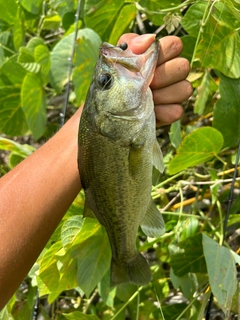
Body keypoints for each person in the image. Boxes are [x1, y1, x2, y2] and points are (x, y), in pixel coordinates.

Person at [0, 33, 192, 309]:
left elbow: (101, 138)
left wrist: (85, 122)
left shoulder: (110, 128)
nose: (106, 58)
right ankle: (124, 256)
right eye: (106, 82)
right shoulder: (111, 129)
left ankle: (123, 255)